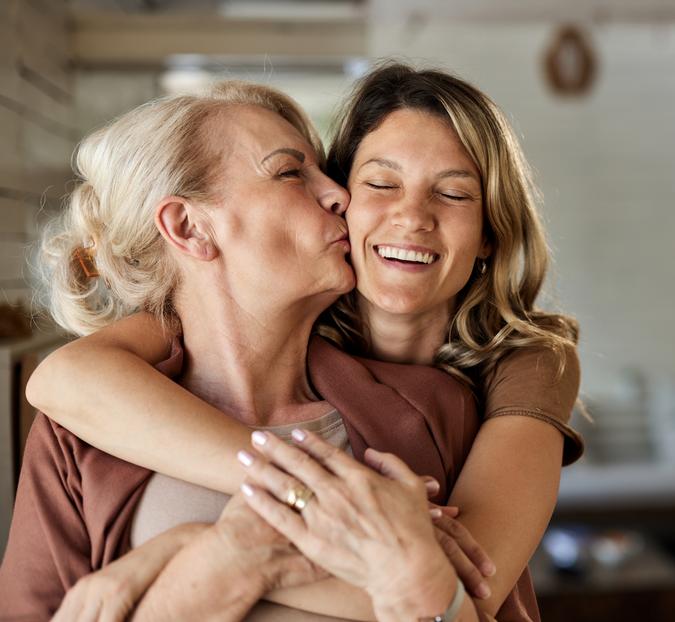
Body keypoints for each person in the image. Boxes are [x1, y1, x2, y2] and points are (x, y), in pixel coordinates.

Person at [18, 63, 582, 620]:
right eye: (291, 173)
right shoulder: (94, 420)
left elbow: (463, 597)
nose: (338, 196)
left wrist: (195, 553)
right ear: (189, 229)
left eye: (454, 194)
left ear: (491, 232)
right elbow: (66, 376)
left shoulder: (455, 397)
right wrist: (237, 551)